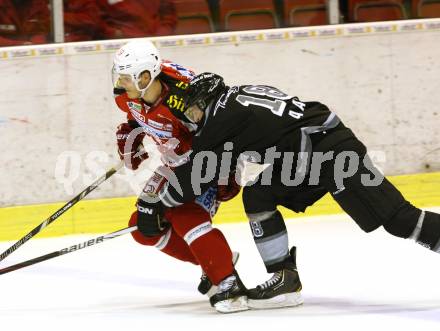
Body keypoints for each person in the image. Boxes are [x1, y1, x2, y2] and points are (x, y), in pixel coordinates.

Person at [138, 72, 440, 310]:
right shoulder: (238, 97)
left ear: (205, 100)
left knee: (399, 219)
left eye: (192, 111)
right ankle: (285, 277)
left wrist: (158, 204)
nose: (192, 120)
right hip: (313, 152)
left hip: (330, 154)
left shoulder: (220, 116)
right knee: (258, 193)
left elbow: (196, 174)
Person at [111, 40, 247, 313]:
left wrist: (223, 176)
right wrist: (131, 135)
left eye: (126, 77)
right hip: (175, 162)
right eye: (120, 75)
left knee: (183, 211)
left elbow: (219, 138)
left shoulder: (186, 100)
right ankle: (218, 260)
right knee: (143, 226)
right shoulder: (128, 95)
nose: (120, 83)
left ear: (146, 77)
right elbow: (137, 118)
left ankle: (229, 284)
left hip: (212, 160)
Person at [99, 0, 176, 39]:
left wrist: (161, 36)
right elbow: (97, 20)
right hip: (124, 44)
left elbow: (168, 16)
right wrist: (114, 33)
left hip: (157, 42)